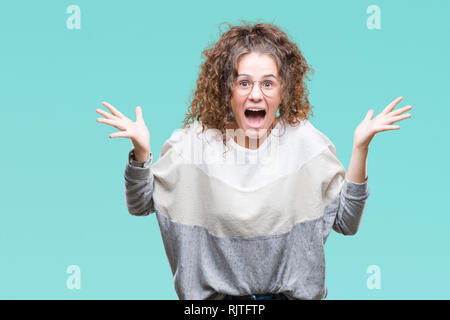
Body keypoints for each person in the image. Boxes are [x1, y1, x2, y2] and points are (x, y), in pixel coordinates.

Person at [95, 21, 413, 300]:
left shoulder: (305, 143)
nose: (256, 95)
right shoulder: (192, 146)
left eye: (268, 83)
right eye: (244, 82)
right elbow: (140, 205)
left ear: (283, 90)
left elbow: (347, 221)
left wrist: (361, 148)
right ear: (226, 88)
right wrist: (140, 153)